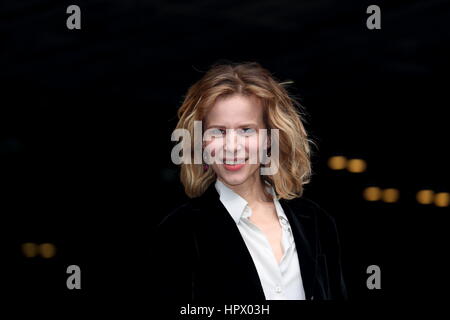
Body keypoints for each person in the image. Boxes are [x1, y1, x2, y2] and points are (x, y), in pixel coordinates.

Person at [153, 61, 347, 302]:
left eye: (246, 130)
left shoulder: (317, 223)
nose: (232, 146)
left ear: (270, 137)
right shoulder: (179, 231)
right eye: (218, 131)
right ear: (201, 140)